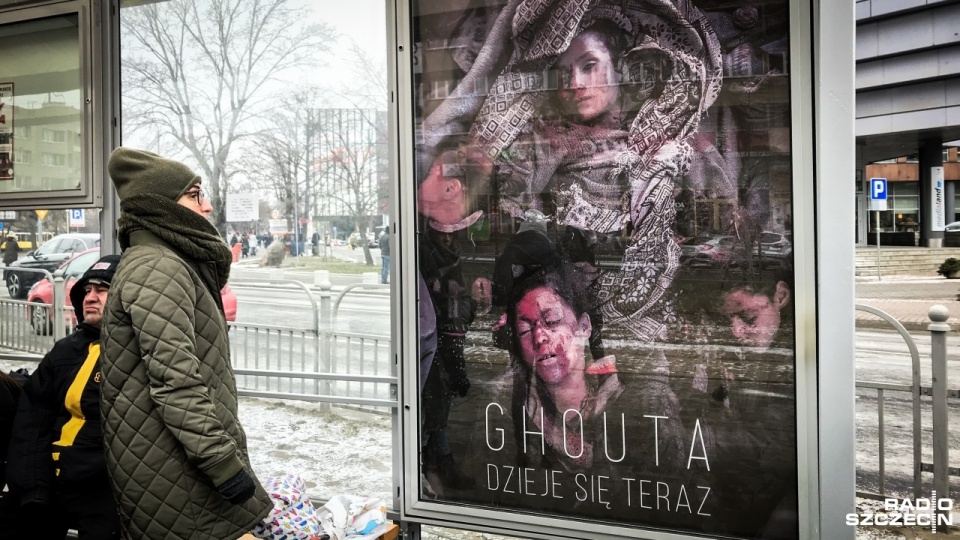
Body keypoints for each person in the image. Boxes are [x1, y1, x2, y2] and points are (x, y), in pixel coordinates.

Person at [100, 147, 272, 539]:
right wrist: (223, 464)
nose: (207, 206)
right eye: (194, 195)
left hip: (173, 462)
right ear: (162, 206)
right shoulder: (157, 266)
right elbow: (175, 383)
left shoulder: (164, 261)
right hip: (177, 472)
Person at [3, 255, 122, 540]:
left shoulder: (133, 355)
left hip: (102, 491)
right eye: (87, 290)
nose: (90, 297)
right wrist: (34, 487)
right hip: (49, 482)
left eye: (102, 290)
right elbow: (32, 424)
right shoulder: (65, 351)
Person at [419, 223, 476, 495]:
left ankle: (437, 464)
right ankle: (438, 465)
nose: (448, 237)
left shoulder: (451, 256)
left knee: (439, 404)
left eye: (451, 232)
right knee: (435, 405)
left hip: (448, 332)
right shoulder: (426, 255)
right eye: (443, 232)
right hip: (436, 336)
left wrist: (464, 311)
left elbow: (461, 298)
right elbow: (443, 299)